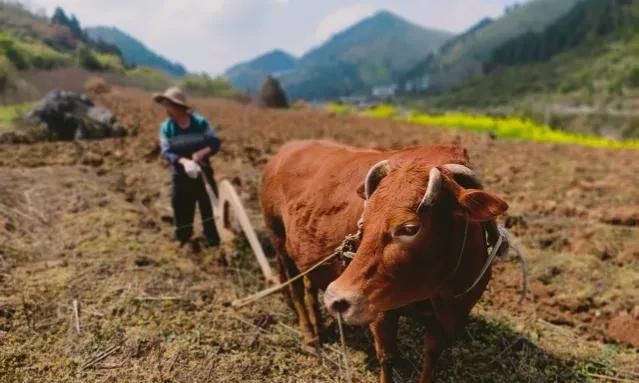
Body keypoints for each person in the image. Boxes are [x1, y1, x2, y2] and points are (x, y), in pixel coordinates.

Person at [154, 86, 221, 247]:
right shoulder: (166, 128)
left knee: (208, 206)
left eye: (168, 106)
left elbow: (215, 142)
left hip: (203, 170)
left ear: (178, 107)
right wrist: (184, 162)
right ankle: (183, 238)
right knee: (181, 205)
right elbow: (166, 151)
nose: (166, 110)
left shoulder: (200, 123)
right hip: (181, 173)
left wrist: (201, 153)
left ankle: (212, 240)